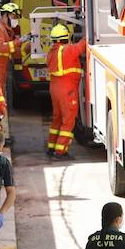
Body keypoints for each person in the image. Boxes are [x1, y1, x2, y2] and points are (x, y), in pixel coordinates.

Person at [45, 24, 87, 159]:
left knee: (57, 119)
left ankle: (52, 148)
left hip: (55, 88)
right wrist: (90, 34)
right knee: (68, 121)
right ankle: (60, 152)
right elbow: (82, 46)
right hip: (67, 90)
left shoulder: (51, 52)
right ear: (65, 38)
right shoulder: (67, 50)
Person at [0, 2, 23, 144]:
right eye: (13, 16)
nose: (15, 19)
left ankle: (1, 134)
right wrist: (19, 42)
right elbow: (2, 48)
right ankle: (0, 135)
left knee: (0, 102)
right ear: (6, 15)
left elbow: (11, 50)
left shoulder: (7, 30)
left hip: (1, 69)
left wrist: (24, 47)